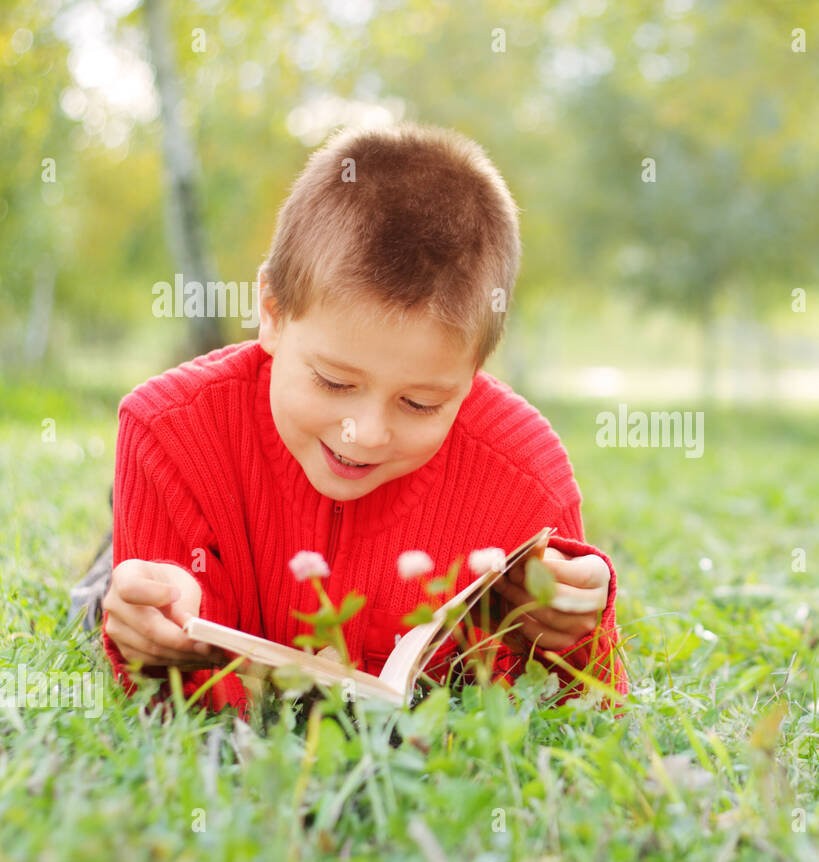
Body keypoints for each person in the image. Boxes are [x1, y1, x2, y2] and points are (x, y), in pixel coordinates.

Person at [74, 123, 627, 719]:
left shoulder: (527, 476)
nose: (364, 433)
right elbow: (161, 695)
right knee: (98, 598)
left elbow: (587, 706)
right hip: (207, 515)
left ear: (474, 371)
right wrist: (153, 631)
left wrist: (574, 630)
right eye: (334, 383)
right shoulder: (167, 431)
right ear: (273, 312)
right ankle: (109, 555)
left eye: (420, 404)